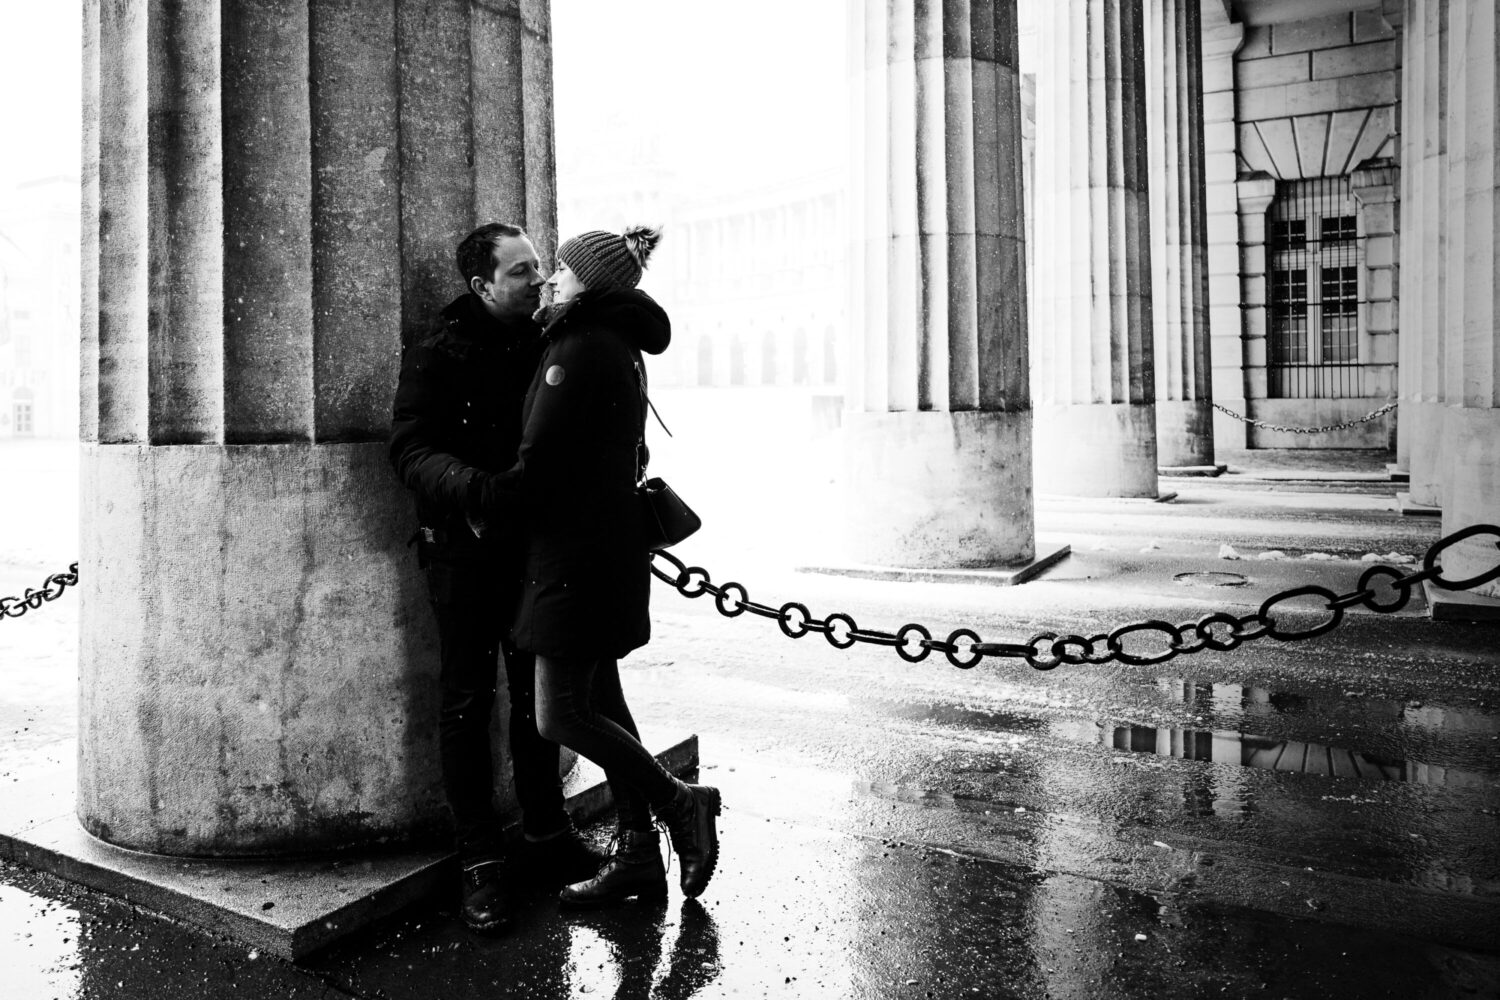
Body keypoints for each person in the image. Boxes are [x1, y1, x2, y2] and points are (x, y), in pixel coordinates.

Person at [472, 225, 722, 907]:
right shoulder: (615, 340)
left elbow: (538, 465)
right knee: (601, 701)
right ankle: (639, 853)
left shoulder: (578, 345)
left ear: (590, 284)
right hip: (600, 551)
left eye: (561, 269)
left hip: (572, 560)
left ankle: (681, 804)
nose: (550, 279)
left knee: (558, 716)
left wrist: (480, 500)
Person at [389, 222, 603, 934]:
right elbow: (409, 448)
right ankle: (479, 858)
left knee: (538, 697)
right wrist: (476, 490)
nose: (539, 280)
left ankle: (546, 832)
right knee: (467, 700)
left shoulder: (549, 337)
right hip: (463, 553)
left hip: (536, 551)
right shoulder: (437, 348)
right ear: (482, 285)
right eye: (521, 271)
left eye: (540, 266)